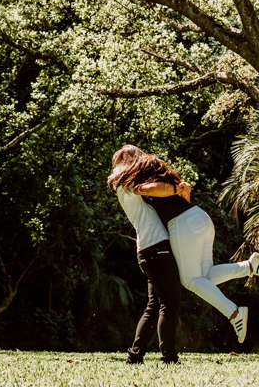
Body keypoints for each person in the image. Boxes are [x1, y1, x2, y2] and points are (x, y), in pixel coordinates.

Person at [108, 144, 259, 345]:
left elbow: (153, 189)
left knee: (189, 280)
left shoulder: (139, 180)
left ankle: (233, 313)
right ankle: (249, 267)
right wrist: (179, 188)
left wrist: (166, 189)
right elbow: (185, 191)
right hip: (201, 218)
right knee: (204, 275)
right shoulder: (157, 168)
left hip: (183, 224)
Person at [109, 150, 184, 364]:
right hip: (156, 248)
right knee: (170, 303)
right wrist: (176, 189)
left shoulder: (123, 186)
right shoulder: (128, 185)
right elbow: (155, 189)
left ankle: (135, 357)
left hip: (149, 250)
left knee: (154, 306)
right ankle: (169, 358)